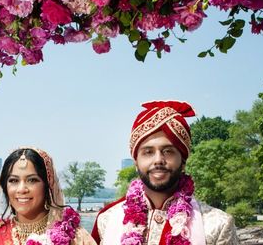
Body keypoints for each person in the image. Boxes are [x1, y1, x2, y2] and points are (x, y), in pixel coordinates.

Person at [92, 101, 239, 245]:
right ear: (136, 162)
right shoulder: (107, 220)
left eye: (168, 151)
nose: (158, 160)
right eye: (148, 152)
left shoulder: (217, 225)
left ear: (183, 161)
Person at [0, 147, 96, 245]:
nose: (22, 189)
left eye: (32, 180)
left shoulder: (75, 237)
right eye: (13, 181)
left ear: (47, 185)